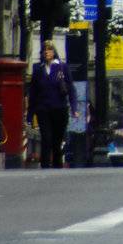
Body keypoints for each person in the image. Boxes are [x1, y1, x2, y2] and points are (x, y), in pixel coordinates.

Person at [26, 42, 75, 170]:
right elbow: (33, 93)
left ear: (54, 52)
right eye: (44, 50)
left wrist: (74, 108)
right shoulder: (38, 69)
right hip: (43, 109)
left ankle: (57, 165)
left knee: (56, 140)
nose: (46, 52)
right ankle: (45, 165)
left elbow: (71, 89)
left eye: (49, 49)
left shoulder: (62, 67)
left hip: (60, 108)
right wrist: (30, 115)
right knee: (46, 138)